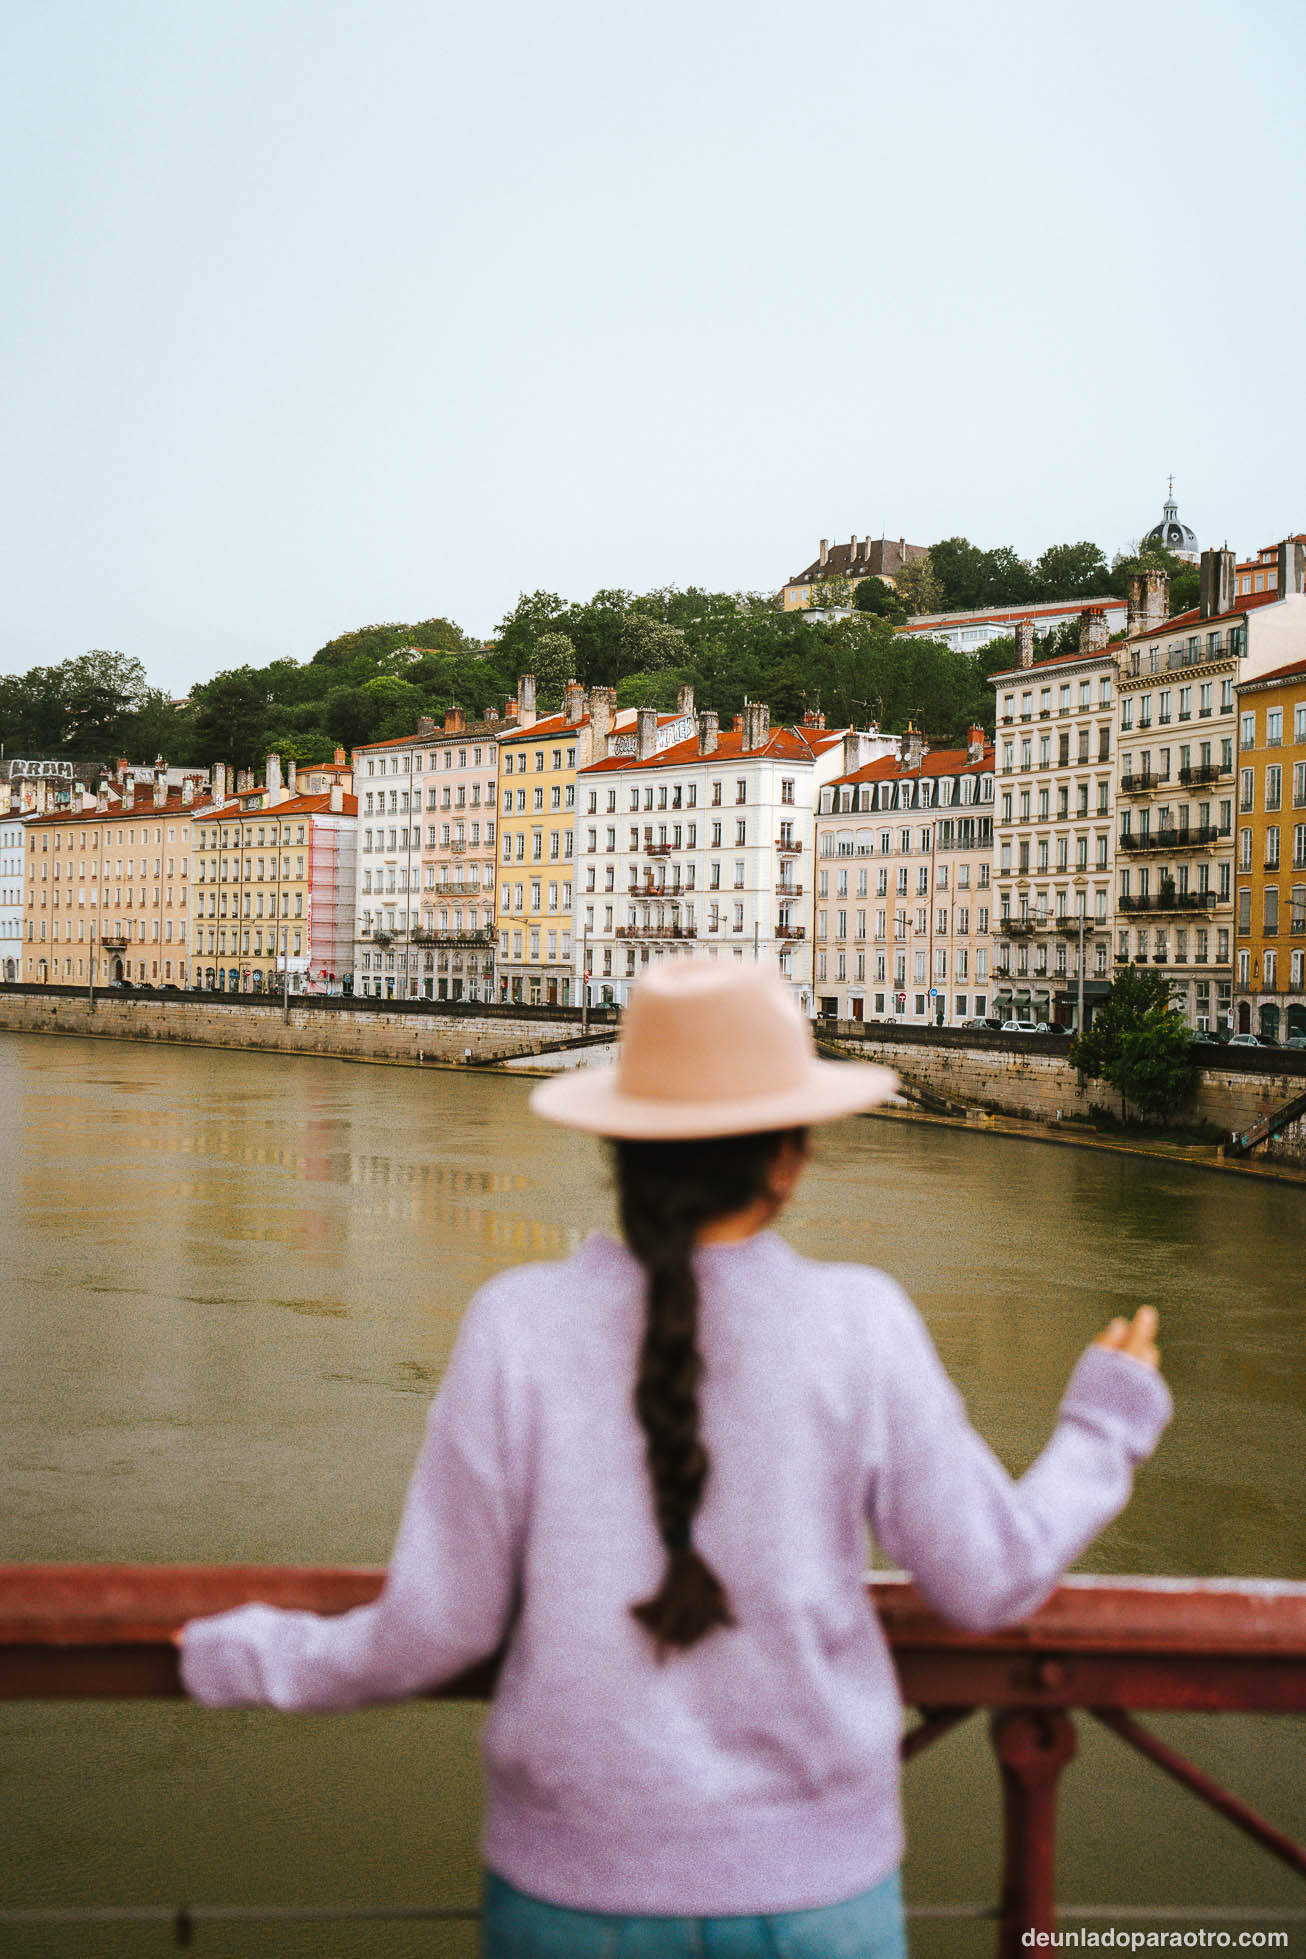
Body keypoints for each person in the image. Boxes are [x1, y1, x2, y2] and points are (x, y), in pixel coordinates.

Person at [180, 960, 1170, 1958]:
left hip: (572, 1894)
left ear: (617, 1147)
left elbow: (436, 1628)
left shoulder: (515, 1327)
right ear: (789, 1157)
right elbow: (987, 1580)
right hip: (815, 1897)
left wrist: (251, 1655)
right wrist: (1101, 1430)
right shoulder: (858, 1324)